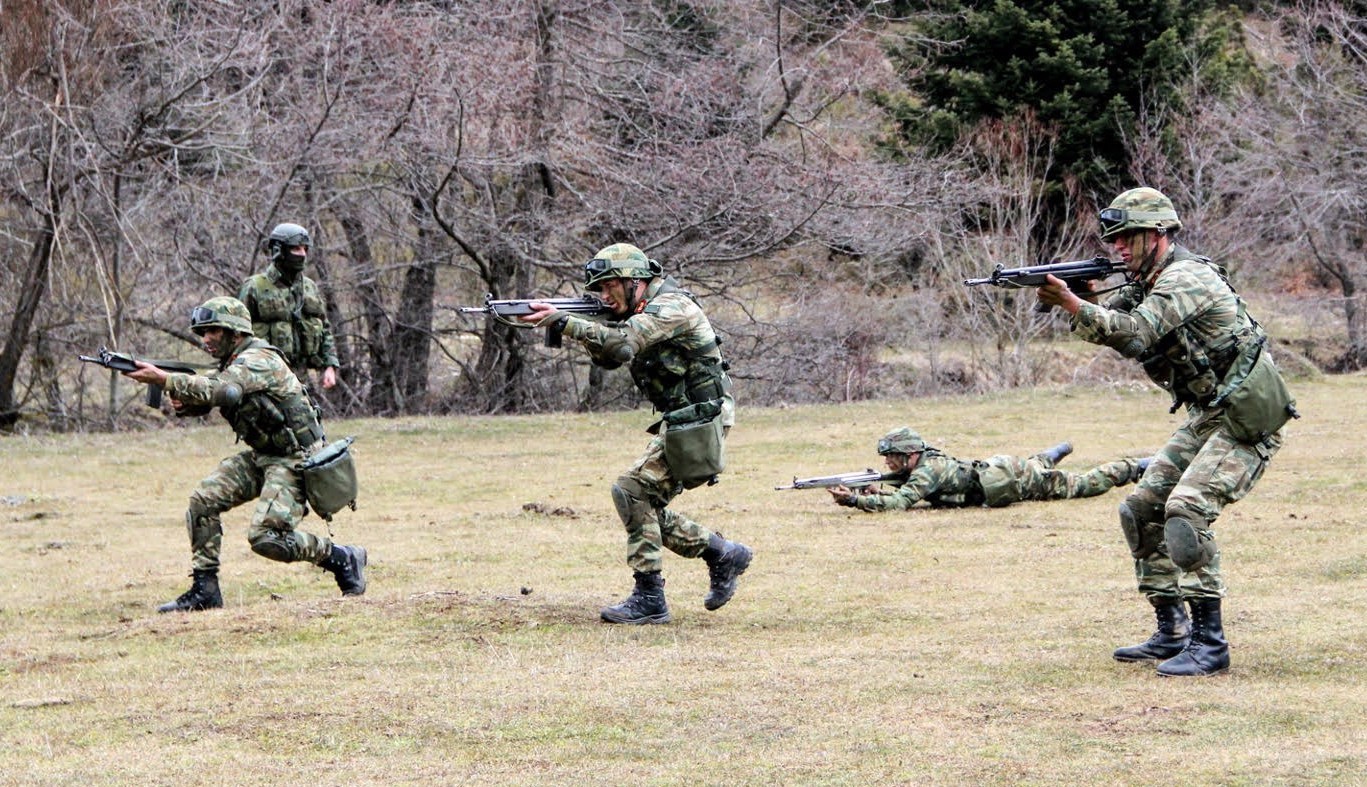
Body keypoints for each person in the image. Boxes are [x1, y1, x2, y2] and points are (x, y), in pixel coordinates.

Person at [1037, 187, 1295, 677]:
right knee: (1140, 509)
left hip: (1248, 416)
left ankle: (1210, 645)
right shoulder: (1147, 278)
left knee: (1186, 509)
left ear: (1157, 235)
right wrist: (1085, 298)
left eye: (1125, 238)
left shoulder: (1185, 278)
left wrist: (1072, 303)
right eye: (1112, 240)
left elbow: (1137, 331)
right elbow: (1125, 334)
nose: (1116, 248)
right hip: (1210, 413)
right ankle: (1171, 630)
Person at [518, 242, 752, 625]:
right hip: (682, 416)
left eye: (611, 286)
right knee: (638, 498)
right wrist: (577, 324)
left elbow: (624, 344)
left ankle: (651, 597)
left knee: (632, 491)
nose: (605, 296)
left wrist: (563, 322)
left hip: (701, 417)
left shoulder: (673, 306)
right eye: (600, 290)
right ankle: (722, 554)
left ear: (636, 281)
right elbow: (611, 357)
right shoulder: (640, 309)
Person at [123, 296, 367, 612]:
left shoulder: (258, 359)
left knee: (267, 538)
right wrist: (186, 404)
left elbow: (226, 391)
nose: (206, 339)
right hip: (265, 455)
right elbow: (221, 394)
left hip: (296, 459)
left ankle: (342, 557)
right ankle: (205, 591)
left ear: (235, 333)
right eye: (203, 332)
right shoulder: (233, 364)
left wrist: (164, 379)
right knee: (203, 501)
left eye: (213, 331)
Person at [828, 427, 1149, 511]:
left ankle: (1134, 467)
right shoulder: (922, 467)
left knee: (1082, 485)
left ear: (910, 454)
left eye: (892, 457)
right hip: (1001, 470)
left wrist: (856, 500)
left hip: (1012, 480)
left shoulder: (928, 471)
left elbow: (901, 503)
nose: (888, 464)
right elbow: (905, 490)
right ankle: (1048, 455)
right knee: (1034, 467)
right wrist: (875, 489)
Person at [238, 222, 340, 390]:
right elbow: (236, 334)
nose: (302, 254)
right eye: (296, 249)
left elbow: (324, 329)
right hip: (263, 379)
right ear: (279, 250)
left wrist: (329, 366)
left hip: (300, 378)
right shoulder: (254, 287)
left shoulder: (309, 287)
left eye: (305, 249)